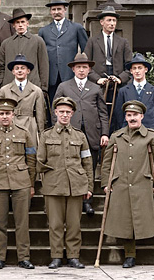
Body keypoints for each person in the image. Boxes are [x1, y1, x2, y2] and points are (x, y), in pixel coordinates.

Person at [101, 100, 154, 268]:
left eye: (135, 115)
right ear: (125, 117)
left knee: (138, 219)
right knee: (124, 221)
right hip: (121, 185)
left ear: (142, 116)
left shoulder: (152, 136)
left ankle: (136, 253)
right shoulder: (116, 137)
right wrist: (106, 183)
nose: (132, 118)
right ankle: (129, 255)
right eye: (129, 115)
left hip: (143, 185)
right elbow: (107, 162)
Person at [0, 98, 37, 270]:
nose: (5, 117)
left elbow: (31, 159)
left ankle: (24, 257)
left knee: (22, 222)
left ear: (13, 115)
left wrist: (31, 184)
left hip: (21, 182)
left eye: (8, 114)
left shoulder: (24, 133)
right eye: (2, 114)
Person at [38, 97, 93, 269]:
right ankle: (56, 256)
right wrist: (46, 182)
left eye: (68, 112)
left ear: (72, 114)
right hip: (54, 185)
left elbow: (87, 162)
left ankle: (73, 256)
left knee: (74, 224)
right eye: (61, 111)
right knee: (55, 224)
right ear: (55, 113)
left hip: (75, 185)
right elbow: (39, 162)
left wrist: (89, 186)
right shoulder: (46, 135)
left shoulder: (80, 136)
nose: (64, 115)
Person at [51, 52, 109, 215]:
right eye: (78, 67)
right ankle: (73, 198)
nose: (81, 70)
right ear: (73, 69)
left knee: (89, 167)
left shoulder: (96, 88)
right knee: (73, 166)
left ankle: (87, 201)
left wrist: (105, 133)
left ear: (89, 69)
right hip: (70, 133)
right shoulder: (64, 86)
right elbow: (54, 110)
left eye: (84, 67)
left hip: (92, 134)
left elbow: (103, 113)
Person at [39, 0, 88, 102]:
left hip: (69, 74)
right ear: (50, 11)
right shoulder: (44, 31)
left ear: (65, 10)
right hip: (51, 75)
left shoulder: (76, 28)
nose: (56, 12)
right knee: (53, 105)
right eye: (53, 9)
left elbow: (86, 51)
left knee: (71, 104)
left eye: (59, 9)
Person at [0, 8, 49, 95]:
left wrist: (43, 87)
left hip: (32, 85)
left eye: (23, 22)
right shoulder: (6, 43)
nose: (20, 25)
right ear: (13, 25)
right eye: (17, 22)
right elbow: (0, 66)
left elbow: (44, 65)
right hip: (10, 86)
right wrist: (1, 83)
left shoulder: (37, 41)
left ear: (27, 23)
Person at [111, 53, 154, 133]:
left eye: (140, 68)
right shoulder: (123, 91)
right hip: (129, 132)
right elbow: (119, 114)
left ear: (145, 69)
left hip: (150, 132)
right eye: (134, 68)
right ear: (131, 71)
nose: (137, 71)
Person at [0, 54, 46, 137]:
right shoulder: (4, 90)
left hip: (29, 126)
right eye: (17, 68)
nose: (20, 71)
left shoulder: (36, 91)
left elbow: (40, 116)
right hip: (10, 125)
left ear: (28, 71)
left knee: (30, 149)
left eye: (23, 68)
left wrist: (40, 134)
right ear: (13, 71)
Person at [84, 6, 133, 87]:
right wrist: (97, 79)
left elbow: (130, 65)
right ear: (102, 22)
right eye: (109, 20)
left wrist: (120, 78)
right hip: (98, 83)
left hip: (118, 84)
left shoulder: (123, 42)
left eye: (114, 20)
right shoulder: (92, 41)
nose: (112, 23)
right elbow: (86, 64)